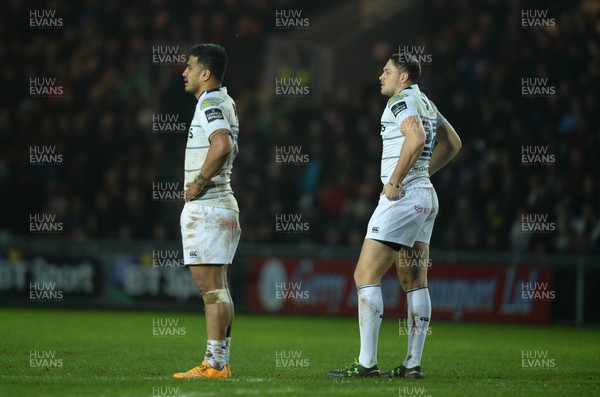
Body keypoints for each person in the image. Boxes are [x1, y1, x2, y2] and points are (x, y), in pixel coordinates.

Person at [327, 52, 461, 378]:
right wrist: (422, 174)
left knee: (364, 274)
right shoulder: (426, 102)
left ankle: (367, 363)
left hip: (402, 198)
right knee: (414, 280)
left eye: (386, 71)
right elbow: (453, 143)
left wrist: (398, 180)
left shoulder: (400, 101)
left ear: (403, 77)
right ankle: (412, 364)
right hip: (426, 196)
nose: (380, 76)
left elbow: (416, 137)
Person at [173, 43, 241, 380]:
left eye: (189, 67)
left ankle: (214, 364)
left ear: (206, 73)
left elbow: (223, 145)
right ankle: (221, 362)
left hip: (209, 207)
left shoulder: (211, 101)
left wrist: (199, 180)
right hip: (221, 206)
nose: (184, 72)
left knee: (210, 288)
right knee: (219, 287)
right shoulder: (225, 101)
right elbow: (232, 147)